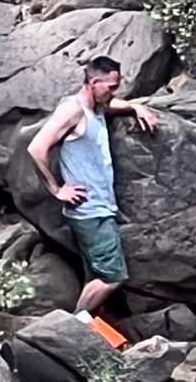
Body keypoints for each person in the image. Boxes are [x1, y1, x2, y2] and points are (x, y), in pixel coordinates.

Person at [27, 56, 158, 318]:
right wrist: (57, 189)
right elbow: (36, 147)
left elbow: (111, 105)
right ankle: (69, 326)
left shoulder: (96, 105)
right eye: (110, 86)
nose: (114, 92)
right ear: (94, 82)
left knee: (96, 276)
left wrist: (135, 107)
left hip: (99, 208)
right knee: (113, 277)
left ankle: (91, 336)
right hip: (91, 212)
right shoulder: (72, 110)